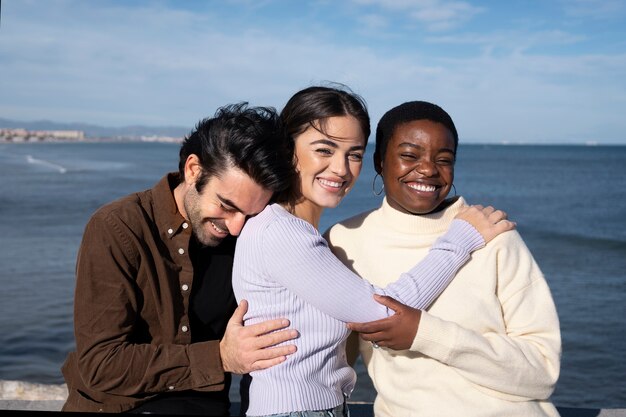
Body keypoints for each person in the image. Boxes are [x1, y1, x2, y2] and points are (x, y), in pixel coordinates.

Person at [231, 86, 515, 417]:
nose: (341, 168)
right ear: (287, 149)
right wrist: (461, 238)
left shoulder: (302, 234)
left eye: (353, 154)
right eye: (324, 150)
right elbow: (383, 315)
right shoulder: (281, 233)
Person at [61, 103, 301, 415]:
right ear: (193, 170)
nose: (236, 226)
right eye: (226, 205)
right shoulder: (118, 227)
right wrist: (220, 357)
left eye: (250, 213)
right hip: (115, 407)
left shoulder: (251, 235)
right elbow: (101, 364)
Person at [326, 100, 561, 416]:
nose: (428, 169)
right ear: (380, 161)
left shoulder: (493, 236)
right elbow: (330, 363)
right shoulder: (344, 241)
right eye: (409, 155)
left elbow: (543, 373)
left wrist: (426, 333)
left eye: (444, 159)